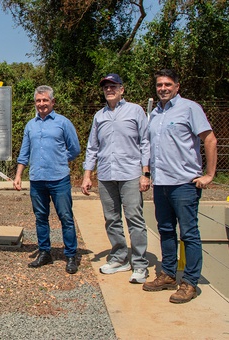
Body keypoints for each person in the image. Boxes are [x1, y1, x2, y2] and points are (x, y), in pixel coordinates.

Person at [142, 69, 217, 303]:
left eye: (167, 84)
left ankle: (190, 282)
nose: (162, 88)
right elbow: (150, 147)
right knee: (165, 230)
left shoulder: (190, 108)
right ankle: (168, 274)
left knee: (189, 233)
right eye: (159, 85)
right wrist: (146, 173)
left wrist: (209, 175)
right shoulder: (154, 114)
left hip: (184, 184)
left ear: (177, 86)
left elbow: (210, 139)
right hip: (161, 183)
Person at [81, 73, 150, 284]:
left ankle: (139, 264)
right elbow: (92, 147)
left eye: (113, 86)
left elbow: (145, 143)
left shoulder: (135, 111)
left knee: (134, 218)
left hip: (130, 174)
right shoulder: (99, 116)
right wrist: (87, 175)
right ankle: (120, 258)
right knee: (112, 219)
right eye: (106, 87)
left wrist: (145, 173)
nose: (109, 90)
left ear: (122, 89)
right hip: (106, 175)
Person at [13, 85, 81, 274]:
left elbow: (75, 149)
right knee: (40, 218)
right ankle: (44, 252)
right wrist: (18, 175)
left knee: (66, 217)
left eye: (45, 100)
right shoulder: (30, 125)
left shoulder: (63, 123)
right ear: (35, 103)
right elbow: (24, 152)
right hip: (37, 179)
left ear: (52, 102)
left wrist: (60, 159)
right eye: (38, 100)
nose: (41, 104)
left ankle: (70, 255)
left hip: (59, 179)